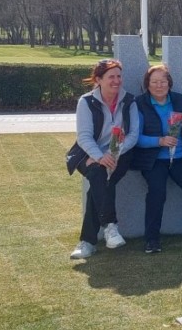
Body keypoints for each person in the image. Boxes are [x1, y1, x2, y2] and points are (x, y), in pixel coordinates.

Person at [131, 65, 182, 254]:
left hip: (181, 156)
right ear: (147, 85)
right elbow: (136, 137)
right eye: (154, 82)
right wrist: (158, 141)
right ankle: (152, 239)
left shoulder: (180, 100)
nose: (159, 85)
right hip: (154, 159)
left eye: (163, 81)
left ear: (169, 83)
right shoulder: (140, 103)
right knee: (156, 192)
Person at [69, 59, 140, 259]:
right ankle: (110, 225)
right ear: (98, 80)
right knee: (99, 174)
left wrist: (114, 154)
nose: (116, 81)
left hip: (122, 154)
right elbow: (84, 137)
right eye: (111, 77)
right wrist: (99, 157)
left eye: (119, 76)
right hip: (90, 154)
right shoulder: (86, 101)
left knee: (98, 182)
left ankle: (87, 242)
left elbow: (133, 134)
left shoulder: (129, 101)